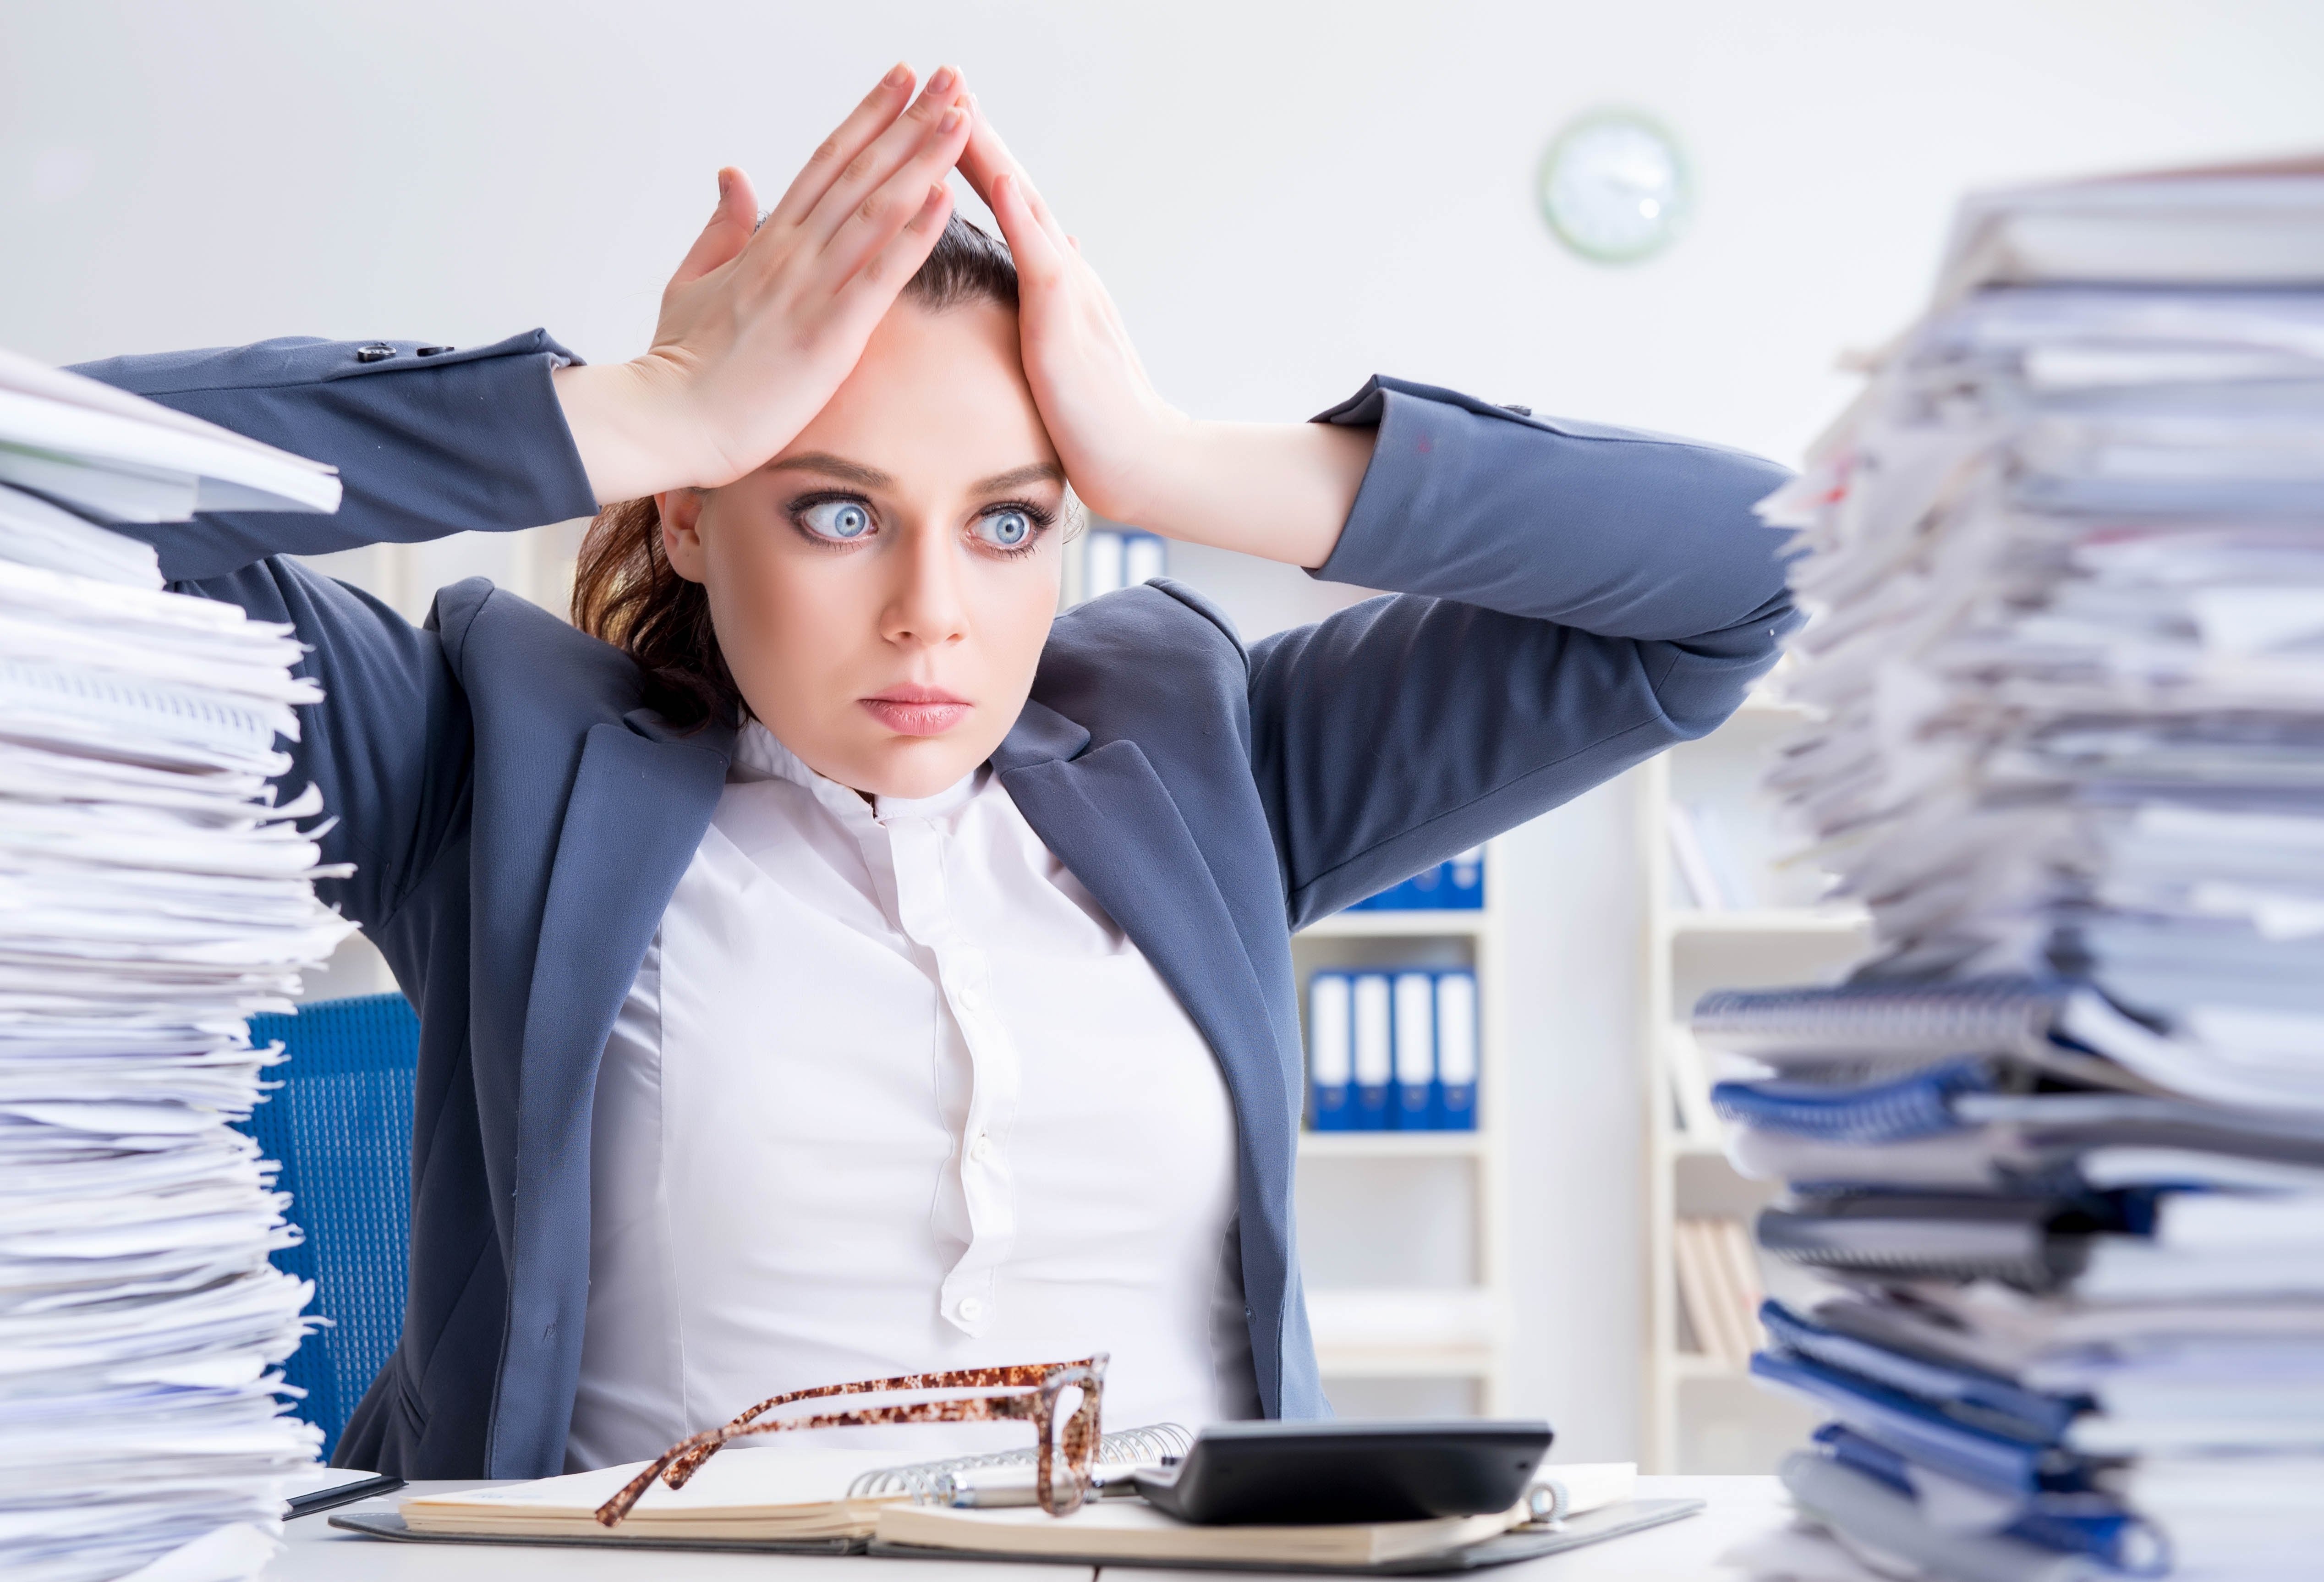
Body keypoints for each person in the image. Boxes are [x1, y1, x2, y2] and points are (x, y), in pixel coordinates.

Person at [71, 64, 1798, 1479]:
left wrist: (1180, 461)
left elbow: (1751, 570)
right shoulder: (488, 763)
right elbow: (58, 503)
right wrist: (632, 406)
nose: (932, 617)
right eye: (838, 511)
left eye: (1007, 521)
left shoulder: (1213, 765)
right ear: (692, 512)